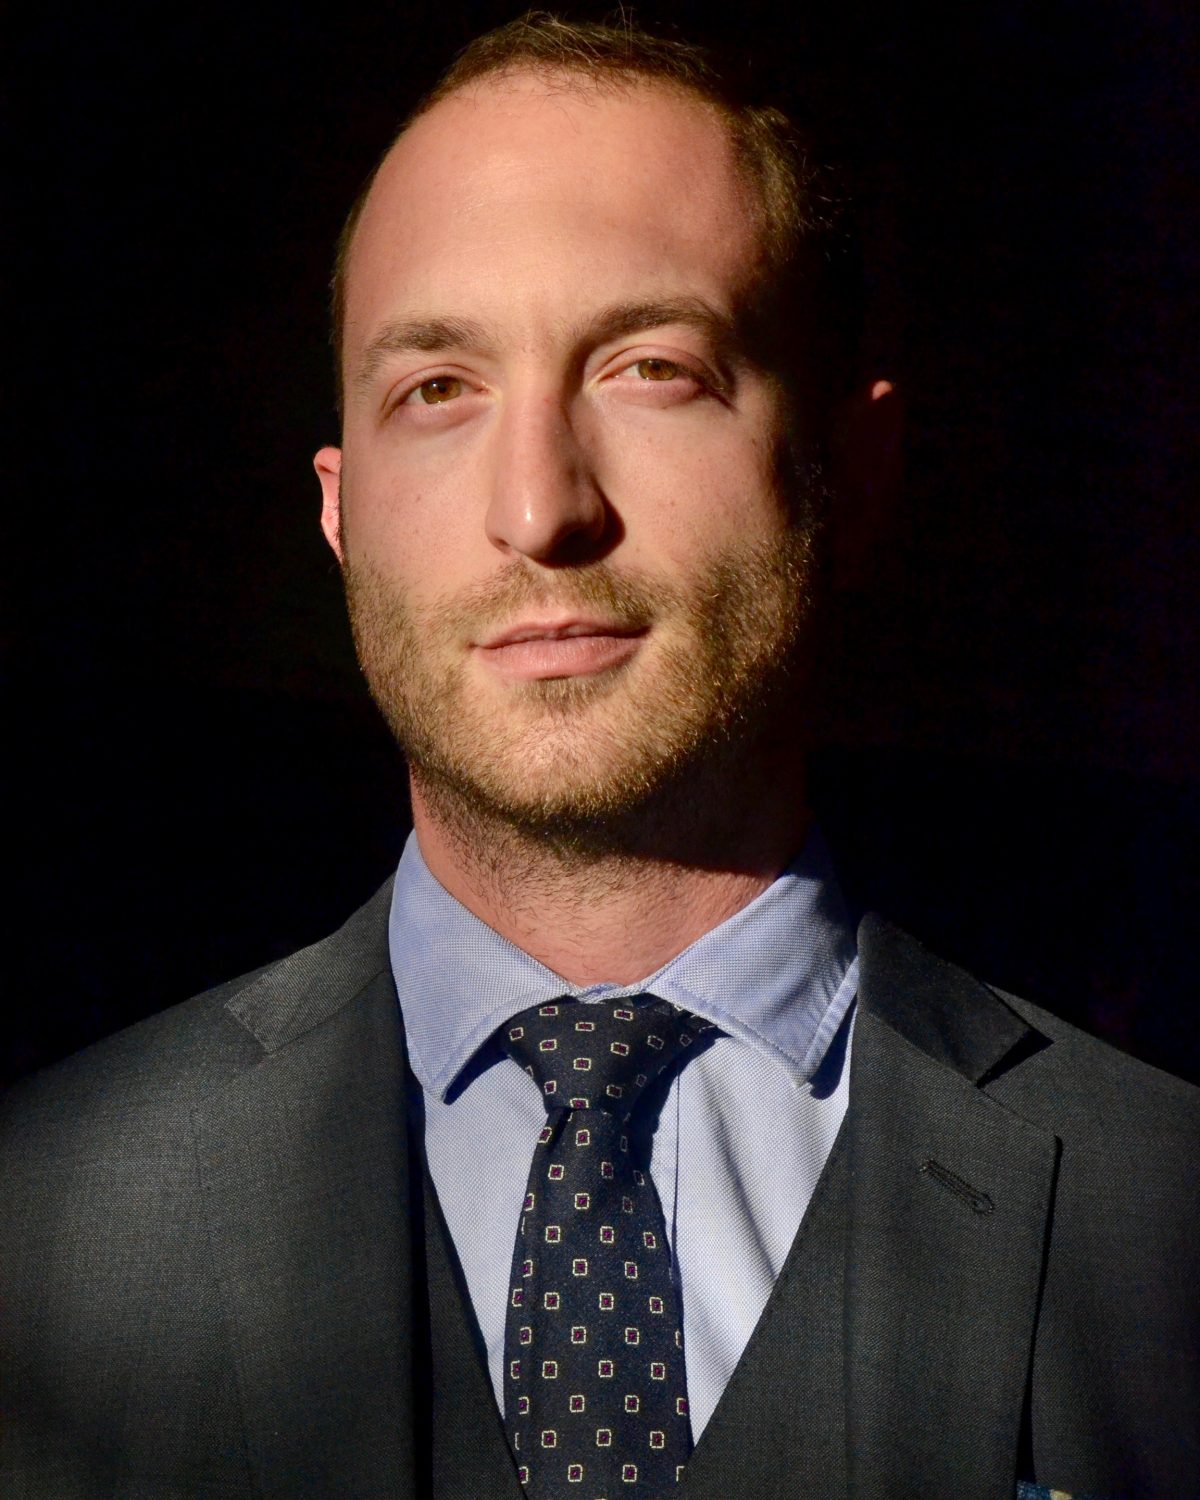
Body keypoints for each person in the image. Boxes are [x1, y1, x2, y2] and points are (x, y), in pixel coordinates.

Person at [3, 14, 1197, 1500]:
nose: (540, 509)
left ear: (853, 472)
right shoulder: (38, 1222)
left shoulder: (1163, 1217)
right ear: (339, 510)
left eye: (650, 368)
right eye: (437, 389)